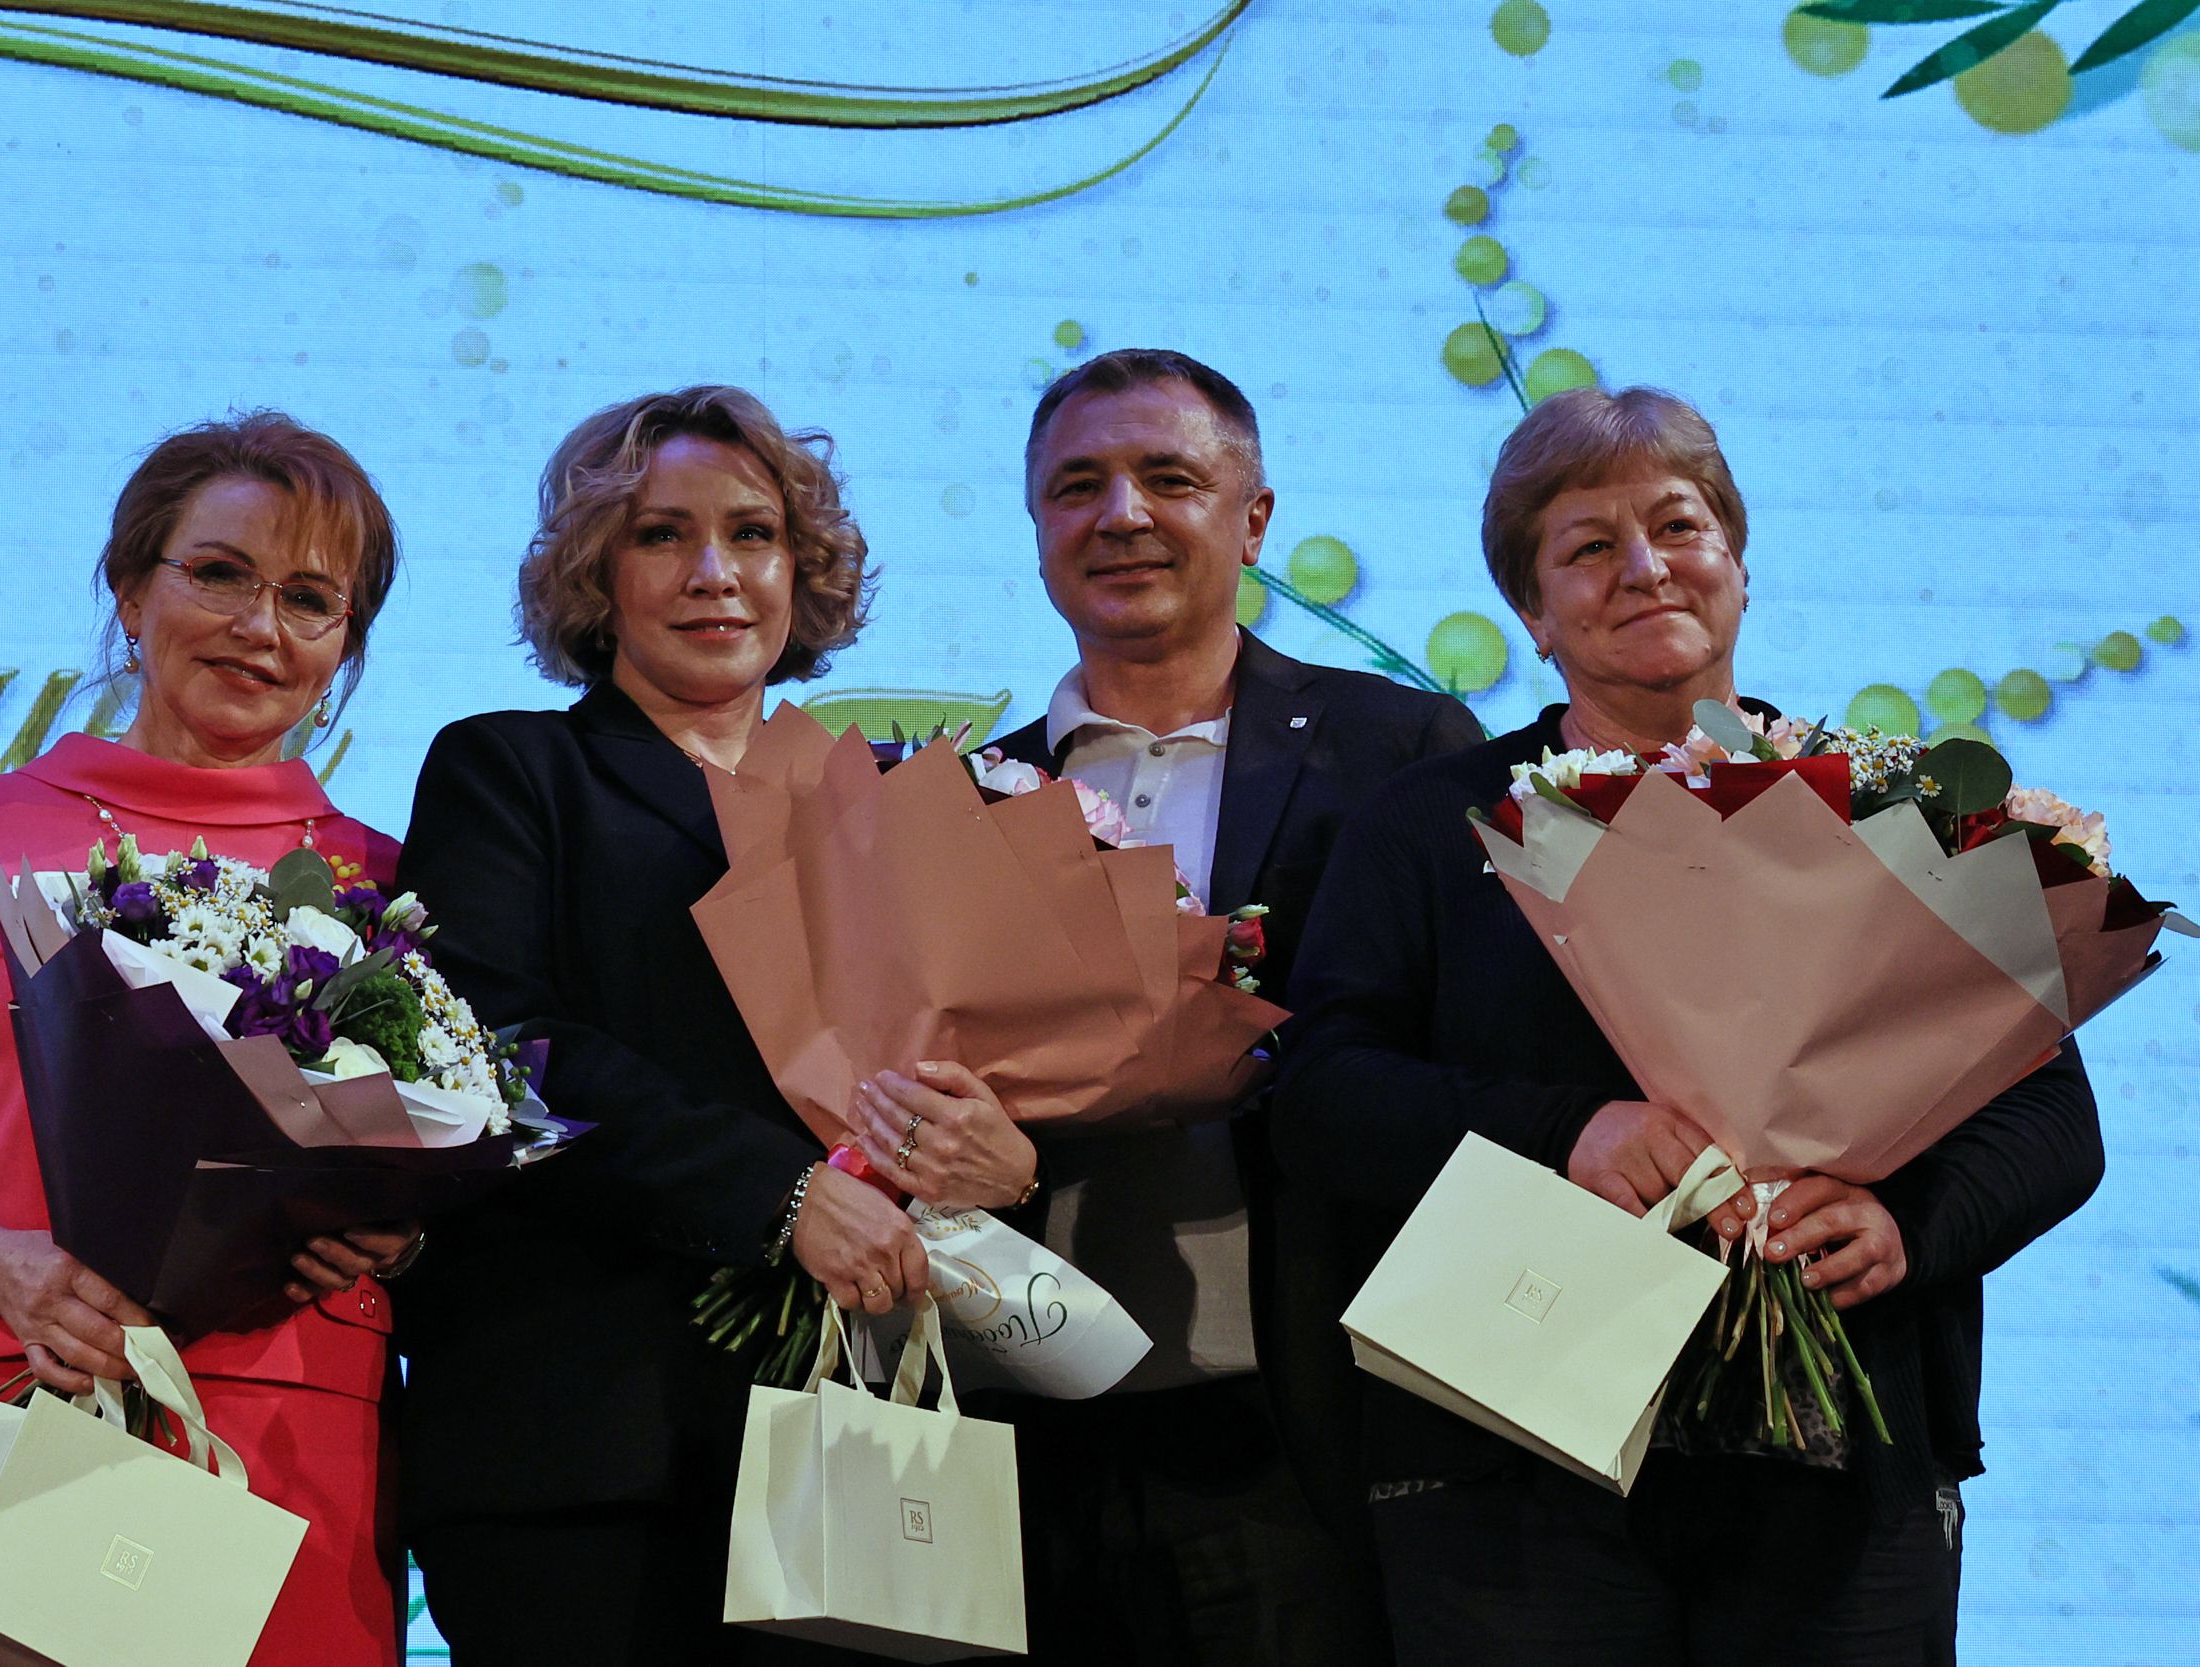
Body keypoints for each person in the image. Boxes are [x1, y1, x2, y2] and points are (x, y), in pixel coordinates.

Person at [1273, 385, 2103, 1665]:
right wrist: (1570, 1132)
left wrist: (1905, 1220)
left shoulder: (1890, 813)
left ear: (1739, 566)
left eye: (1678, 527)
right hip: (1515, 1465)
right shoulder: (1435, 824)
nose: (1644, 568)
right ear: (1532, 611)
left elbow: (2050, 1110)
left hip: (1841, 1463)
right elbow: (1324, 1094)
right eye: (1587, 546)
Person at [861, 348, 1482, 1666]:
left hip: (1296, 1414)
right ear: (1036, 525)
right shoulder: (952, 798)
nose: (1121, 514)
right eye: (1075, 485)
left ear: (1254, 520)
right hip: (1014, 1417)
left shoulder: (1401, 750)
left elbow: (1453, 1056)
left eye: (1169, 478)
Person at [0, 411, 422, 1665]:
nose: (260, 627)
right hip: (19, 1392)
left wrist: (400, 1237)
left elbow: (434, 1175)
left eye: (310, 599)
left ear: (344, 644)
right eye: (220, 573)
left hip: (300, 1428)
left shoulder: (381, 881)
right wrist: (3, 1269)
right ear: (131, 592)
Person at [393, 386, 1008, 1665]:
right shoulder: (510, 769)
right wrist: (781, 1192)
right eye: (661, 534)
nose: (714, 573)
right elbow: (493, 1038)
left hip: (851, 1434)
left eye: (753, 534)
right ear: (594, 573)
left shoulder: (891, 805)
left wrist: (996, 1150)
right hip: (586, 1449)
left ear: (803, 569)